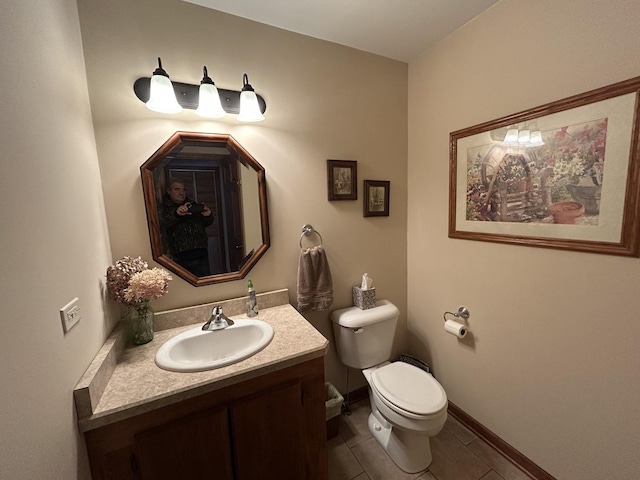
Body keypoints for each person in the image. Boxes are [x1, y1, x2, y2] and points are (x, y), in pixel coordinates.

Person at [158, 179, 214, 277]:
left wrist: (208, 215)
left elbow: (205, 223)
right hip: (180, 256)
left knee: (205, 282)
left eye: (183, 190)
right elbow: (162, 225)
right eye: (177, 189)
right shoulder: (164, 208)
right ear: (169, 191)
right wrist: (177, 214)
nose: (181, 193)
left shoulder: (192, 204)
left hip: (201, 253)